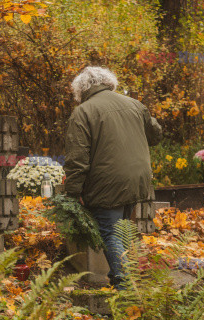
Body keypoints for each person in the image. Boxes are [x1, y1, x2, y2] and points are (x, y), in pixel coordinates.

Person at [64, 66, 162, 289]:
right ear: (109, 82)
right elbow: (156, 135)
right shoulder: (134, 104)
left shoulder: (83, 112)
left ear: (81, 89)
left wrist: (73, 193)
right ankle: (130, 278)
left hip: (107, 183)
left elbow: (77, 159)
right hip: (138, 180)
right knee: (122, 230)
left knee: (110, 233)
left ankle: (125, 287)